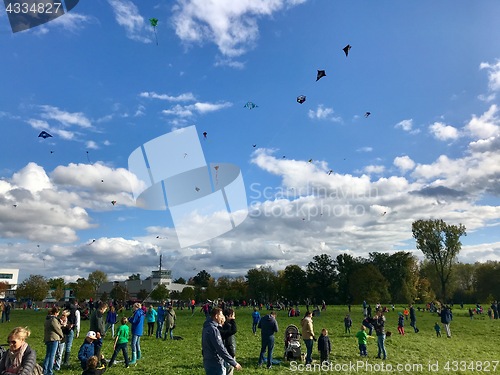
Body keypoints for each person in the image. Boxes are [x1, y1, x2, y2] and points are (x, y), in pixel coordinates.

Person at [202, 307, 241, 375]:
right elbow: (220, 348)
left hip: (208, 361)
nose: (223, 317)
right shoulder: (213, 330)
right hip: (216, 363)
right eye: (221, 315)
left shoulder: (207, 326)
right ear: (216, 316)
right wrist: (234, 363)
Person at [42, 306, 64, 375]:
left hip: (48, 338)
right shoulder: (53, 319)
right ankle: (49, 371)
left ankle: (45, 370)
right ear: (56, 313)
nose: (58, 314)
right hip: (54, 339)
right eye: (58, 313)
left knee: (48, 355)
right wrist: (62, 335)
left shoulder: (47, 319)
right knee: (52, 356)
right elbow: (57, 329)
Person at [219, 309, 237, 375]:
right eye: (233, 316)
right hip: (228, 352)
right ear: (228, 316)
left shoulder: (222, 326)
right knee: (229, 371)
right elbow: (229, 342)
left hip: (223, 352)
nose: (234, 318)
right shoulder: (227, 326)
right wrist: (232, 353)